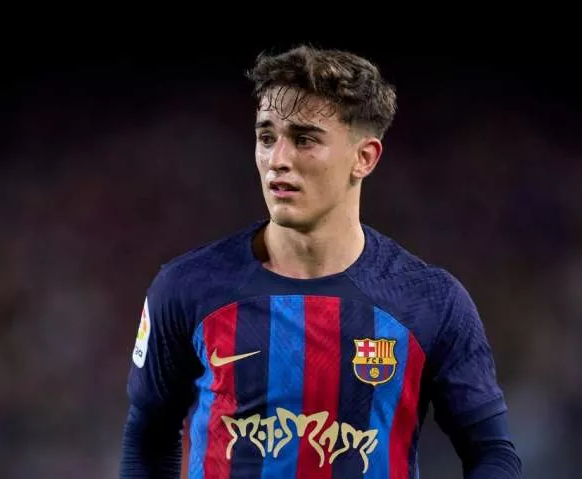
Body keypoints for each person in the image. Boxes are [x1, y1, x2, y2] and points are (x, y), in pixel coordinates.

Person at [118, 45, 522, 478]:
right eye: (267, 136)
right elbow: (148, 440)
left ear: (363, 158)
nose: (278, 161)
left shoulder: (431, 301)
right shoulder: (186, 287)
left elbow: (493, 453)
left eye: (305, 139)